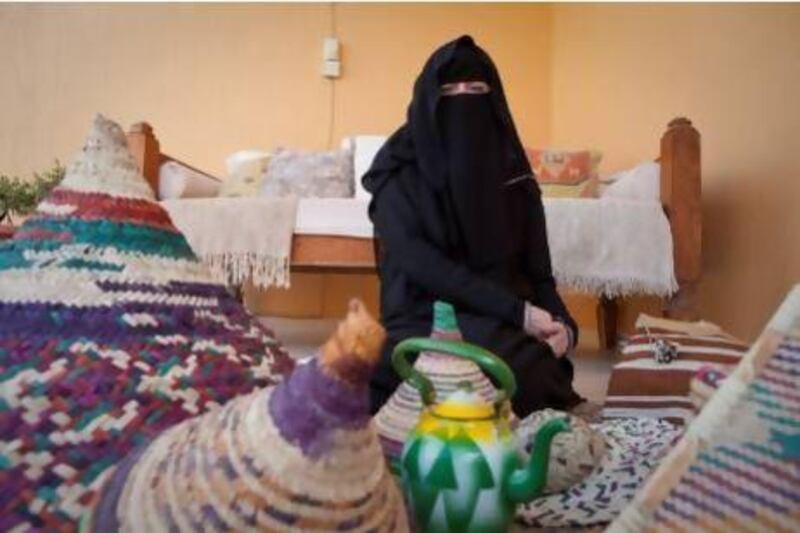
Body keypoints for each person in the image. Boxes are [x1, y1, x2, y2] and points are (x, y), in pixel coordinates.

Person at [363, 35, 592, 418]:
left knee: (528, 371)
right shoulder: (397, 176)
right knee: (379, 368)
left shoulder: (514, 180)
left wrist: (566, 327)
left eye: (475, 88)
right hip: (423, 320)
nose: (463, 99)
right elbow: (425, 267)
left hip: (498, 323)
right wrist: (519, 312)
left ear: (494, 99)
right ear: (427, 102)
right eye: (449, 91)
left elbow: (539, 274)